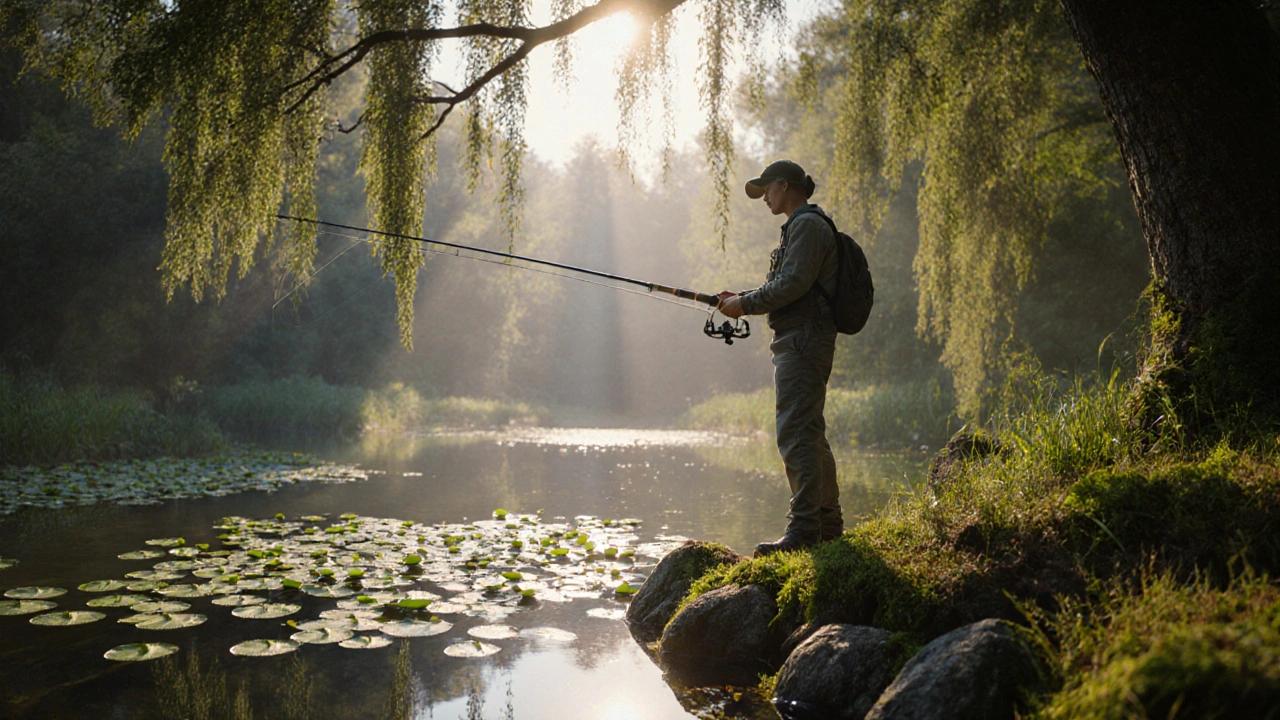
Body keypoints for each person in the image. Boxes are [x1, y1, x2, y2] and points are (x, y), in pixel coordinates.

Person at [718, 159, 843, 557]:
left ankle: (805, 529)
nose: (765, 198)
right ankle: (828, 526)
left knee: (795, 432)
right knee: (810, 432)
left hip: (803, 340)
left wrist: (745, 305)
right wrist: (739, 299)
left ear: (785, 186)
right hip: (802, 338)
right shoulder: (804, 225)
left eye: (767, 190)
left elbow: (792, 284)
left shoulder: (806, 225)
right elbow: (789, 283)